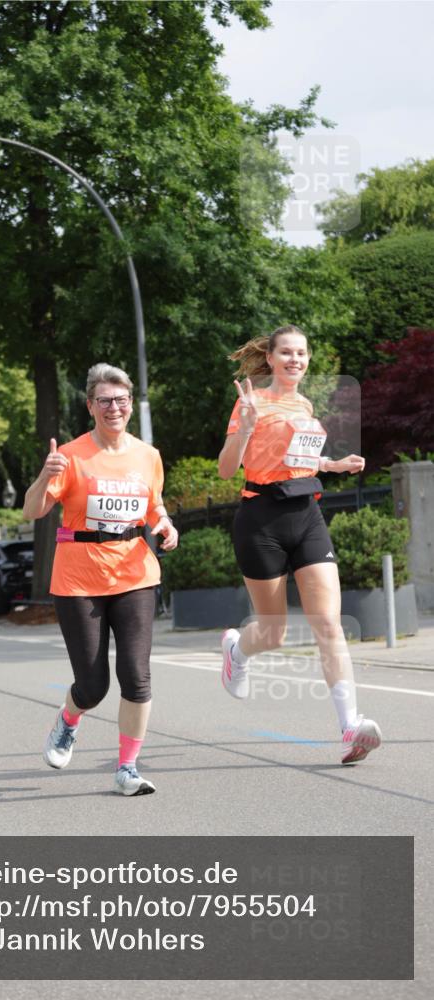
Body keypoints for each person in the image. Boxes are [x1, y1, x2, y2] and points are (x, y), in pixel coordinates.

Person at [217, 324, 382, 765]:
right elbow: (227, 469)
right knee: (273, 633)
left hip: (306, 514)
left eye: (302, 353)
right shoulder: (250, 402)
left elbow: (297, 460)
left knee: (328, 624)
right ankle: (237, 650)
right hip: (261, 519)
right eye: (286, 352)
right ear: (269, 359)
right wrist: (245, 429)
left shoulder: (305, 404)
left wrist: (332, 463)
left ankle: (349, 726)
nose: (295, 359)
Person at [23, 363, 178, 796]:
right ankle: (69, 719)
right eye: (105, 400)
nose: (115, 407)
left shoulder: (148, 456)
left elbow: (154, 507)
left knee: (136, 675)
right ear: (91, 406)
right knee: (93, 686)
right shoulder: (71, 455)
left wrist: (166, 525)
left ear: (130, 403)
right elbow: (32, 511)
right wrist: (45, 475)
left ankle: (127, 768)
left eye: (122, 399)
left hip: (135, 572)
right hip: (79, 579)